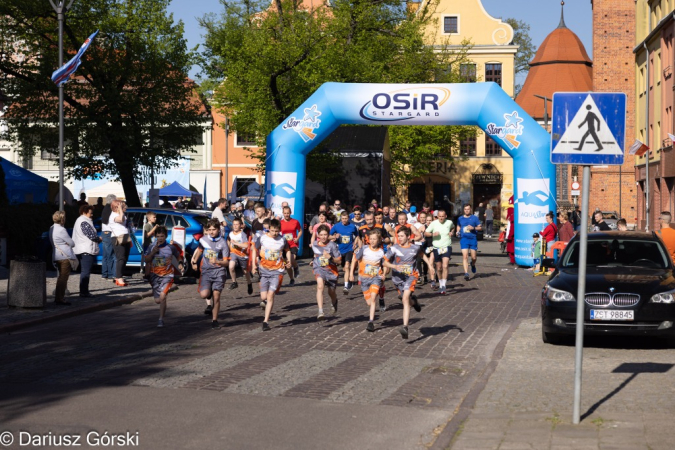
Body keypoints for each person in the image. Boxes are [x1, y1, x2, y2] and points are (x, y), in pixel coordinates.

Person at [252, 219, 292, 331]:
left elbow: (287, 250)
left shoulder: (282, 239)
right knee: (263, 297)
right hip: (264, 270)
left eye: (277, 231)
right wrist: (254, 264)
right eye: (273, 231)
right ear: (269, 228)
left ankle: (265, 321)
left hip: (277, 271)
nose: (275, 233)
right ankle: (265, 303)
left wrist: (288, 260)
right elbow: (254, 249)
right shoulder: (263, 238)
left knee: (270, 295)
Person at [385, 227, 423, 339]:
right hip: (398, 278)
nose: (399, 238)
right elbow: (384, 262)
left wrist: (430, 266)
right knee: (406, 300)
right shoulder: (394, 248)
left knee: (405, 299)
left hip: (411, 276)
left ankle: (405, 327)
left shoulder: (415, 248)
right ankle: (414, 302)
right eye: (398, 236)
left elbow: (422, 255)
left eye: (401, 236)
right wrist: (394, 266)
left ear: (408, 237)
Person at [145, 225, 181, 328]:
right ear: (155, 236)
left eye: (162, 236)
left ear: (166, 236)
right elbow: (147, 260)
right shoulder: (152, 246)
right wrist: (152, 253)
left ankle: (160, 319)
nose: (160, 238)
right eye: (158, 236)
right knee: (158, 300)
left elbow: (178, 256)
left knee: (162, 296)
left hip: (168, 275)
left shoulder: (171, 247)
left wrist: (180, 263)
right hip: (154, 275)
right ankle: (162, 308)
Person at [351, 229, 386, 332]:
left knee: (374, 298)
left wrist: (384, 273)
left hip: (376, 277)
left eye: (375, 239)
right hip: (364, 279)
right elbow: (355, 259)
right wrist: (351, 274)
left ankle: (370, 322)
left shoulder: (381, 251)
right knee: (370, 303)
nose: (372, 241)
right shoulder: (364, 249)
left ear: (379, 240)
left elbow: (384, 264)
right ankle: (381, 290)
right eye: (371, 239)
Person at [311, 224, 342, 320]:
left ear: (328, 235)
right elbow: (316, 254)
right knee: (320, 286)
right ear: (318, 235)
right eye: (321, 234)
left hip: (331, 271)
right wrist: (313, 260)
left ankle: (334, 301)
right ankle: (320, 311)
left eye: (325, 234)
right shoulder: (315, 244)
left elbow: (339, 261)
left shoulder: (332, 245)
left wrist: (330, 258)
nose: (323, 237)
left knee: (331, 291)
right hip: (319, 268)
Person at [72, 205, 101, 298]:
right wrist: (99, 238)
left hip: (83, 248)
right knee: (86, 272)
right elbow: (91, 236)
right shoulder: (83, 221)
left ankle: (84, 291)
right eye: (90, 212)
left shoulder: (81, 220)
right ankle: (84, 292)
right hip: (86, 250)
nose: (92, 214)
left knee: (85, 271)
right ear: (84, 212)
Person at [424, 209, 454, 294]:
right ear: (437, 216)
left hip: (447, 246)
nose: (441, 218)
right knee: (439, 267)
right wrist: (433, 234)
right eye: (439, 216)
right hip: (436, 247)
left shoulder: (449, 222)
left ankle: (444, 285)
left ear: (445, 216)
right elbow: (426, 233)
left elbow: (453, 227)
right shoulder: (433, 223)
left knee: (445, 265)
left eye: (442, 216)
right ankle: (440, 283)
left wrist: (451, 232)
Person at [50, 210, 76, 306]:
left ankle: (59, 297)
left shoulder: (52, 228)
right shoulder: (61, 230)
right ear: (62, 219)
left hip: (56, 255)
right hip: (64, 256)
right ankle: (60, 298)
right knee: (63, 278)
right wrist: (67, 243)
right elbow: (72, 243)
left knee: (61, 277)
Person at [331, 211, 359, 294]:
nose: (344, 220)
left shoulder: (352, 227)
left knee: (347, 266)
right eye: (343, 218)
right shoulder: (336, 226)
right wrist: (334, 237)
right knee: (343, 268)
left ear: (348, 218)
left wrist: (355, 243)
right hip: (339, 250)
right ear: (340, 218)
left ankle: (346, 286)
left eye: (346, 218)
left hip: (349, 249)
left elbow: (357, 235)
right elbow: (328, 235)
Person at [456, 204, 482, 281]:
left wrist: (473, 228)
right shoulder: (460, 218)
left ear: (470, 210)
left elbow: (480, 227)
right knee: (465, 256)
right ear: (463, 210)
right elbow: (458, 226)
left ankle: (472, 264)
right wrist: (457, 231)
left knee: (474, 257)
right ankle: (466, 273)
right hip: (464, 239)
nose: (466, 210)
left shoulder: (474, 218)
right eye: (465, 209)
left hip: (473, 238)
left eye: (468, 209)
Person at [227, 217, 253, 294]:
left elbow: (246, 245)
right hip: (233, 253)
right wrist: (229, 248)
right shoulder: (230, 233)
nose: (235, 226)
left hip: (242, 254)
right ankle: (234, 282)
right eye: (234, 224)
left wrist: (236, 243)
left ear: (240, 225)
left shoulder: (243, 234)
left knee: (245, 271)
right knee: (231, 267)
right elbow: (228, 240)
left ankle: (249, 283)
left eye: (237, 224)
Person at [109, 200, 131, 286]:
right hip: (118, 238)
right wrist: (120, 209)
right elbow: (121, 219)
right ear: (117, 207)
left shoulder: (122, 214)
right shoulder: (113, 215)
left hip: (125, 237)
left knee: (125, 258)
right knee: (120, 258)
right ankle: (118, 278)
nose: (125, 208)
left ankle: (120, 276)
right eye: (123, 206)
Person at [280, 206, 302, 284]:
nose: (286, 215)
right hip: (284, 245)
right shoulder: (280, 222)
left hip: (293, 244)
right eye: (285, 213)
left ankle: (296, 267)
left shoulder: (295, 222)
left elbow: (300, 231)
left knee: (292, 259)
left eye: (288, 213)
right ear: (283, 213)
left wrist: (297, 238)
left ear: (290, 213)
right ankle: (291, 278)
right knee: (287, 263)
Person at [100, 194, 117, 280]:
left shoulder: (105, 208)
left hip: (105, 232)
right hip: (108, 232)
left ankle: (105, 273)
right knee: (110, 255)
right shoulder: (109, 209)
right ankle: (110, 274)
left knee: (106, 255)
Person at [421, 213, 437, 286]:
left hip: (433, 245)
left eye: (430, 220)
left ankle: (432, 279)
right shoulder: (423, 227)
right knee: (425, 263)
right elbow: (416, 234)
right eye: (427, 220)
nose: (428, 222)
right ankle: (425, 275)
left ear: (433, 220)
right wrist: (420, 238)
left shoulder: (435, 227)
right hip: (426, 246)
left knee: (431, 262)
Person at [506, 196, 516, 265]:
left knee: (511, 249)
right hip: (511, 236)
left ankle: (512, 260)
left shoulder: (512, 217)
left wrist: (509, 236)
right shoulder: (512, 217)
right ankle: (512, 260)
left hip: (512, 237)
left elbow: (512, 228)